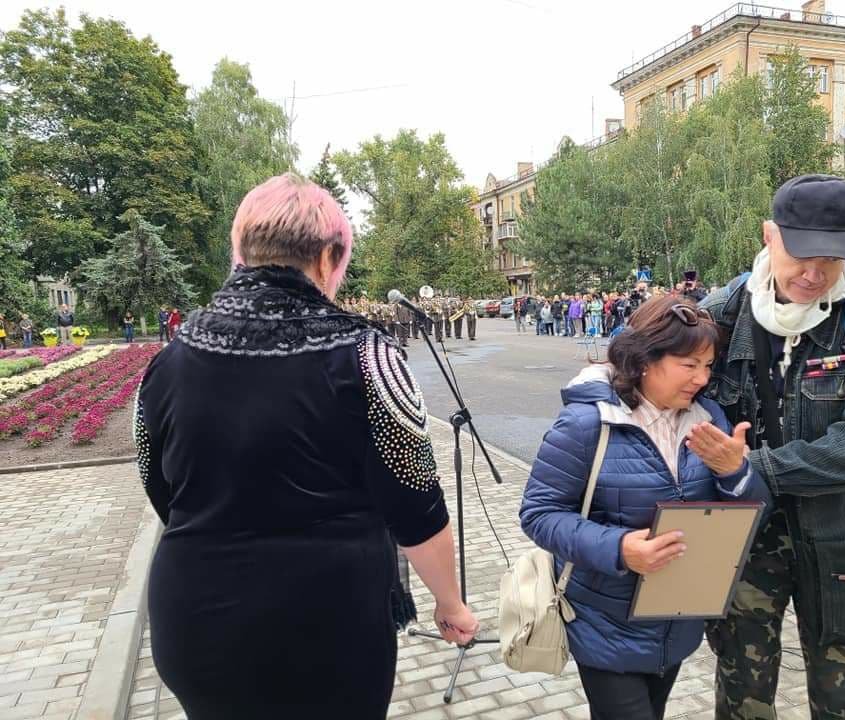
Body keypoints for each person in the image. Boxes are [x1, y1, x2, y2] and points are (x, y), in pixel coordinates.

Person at [136, 173, 478, 719]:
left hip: (196, 619)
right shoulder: (370, 357)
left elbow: (157, 482)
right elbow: (415, 503)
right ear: (326, 258)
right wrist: (450, 602)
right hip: (328, 628)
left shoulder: (170, 358)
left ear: (241, 251)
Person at [700, 174, 845, 719]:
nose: (814, 273)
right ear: (769, 235)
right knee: (741, 695)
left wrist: (757, 467)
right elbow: (661, 393)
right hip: (741, 539)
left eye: (832, 258)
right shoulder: (723, 315)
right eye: (800, 254)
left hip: (841, 537)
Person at [520, 296, 770, 720]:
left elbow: (748, 516)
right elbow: (540, 513)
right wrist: (619, 549)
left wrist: (735, 473)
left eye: (708, 366)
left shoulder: (708, 418)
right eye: (689, 365)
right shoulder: (587, 424)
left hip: (675, 623)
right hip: (605, 625)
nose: (702, 379)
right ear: (643, 360)